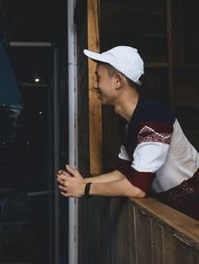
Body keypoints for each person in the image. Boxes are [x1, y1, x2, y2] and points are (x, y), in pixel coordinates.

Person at [57, 46, 199, 220]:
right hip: (179, 212)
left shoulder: (154, 118)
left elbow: (136, 187)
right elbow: (122, 173)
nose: (94, 85)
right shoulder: (128, 124)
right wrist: (81, 182)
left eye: (98, 78)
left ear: (117, 81)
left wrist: (85, 189)